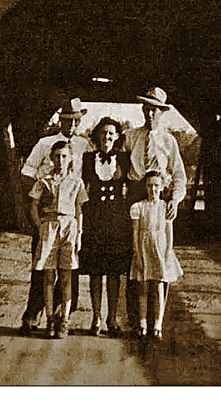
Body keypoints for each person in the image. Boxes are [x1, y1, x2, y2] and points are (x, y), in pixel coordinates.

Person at [18, 98, 90, 335]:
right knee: (42, 268)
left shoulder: (83, 144)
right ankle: (34, 315)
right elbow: (27, 171)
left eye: (75, 121)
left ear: (79, 121)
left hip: (71, 212)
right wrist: (37, 204)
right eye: (67, 120)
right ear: (60, 120)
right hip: (47, 212)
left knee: (68, 268)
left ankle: (61, 316)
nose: (70, 125)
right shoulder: (45, 143)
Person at [123, 87, 187, 337]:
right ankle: (137, 322)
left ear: (162, 113)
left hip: (160, 200)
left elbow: (180, 176)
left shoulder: (169, 141)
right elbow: (116, 166)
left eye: (155, 110)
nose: (150, 114)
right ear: (142, 110)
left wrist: (175, 199)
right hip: (136, 200)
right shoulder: (130, 137)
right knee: (136, 258)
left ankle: (157, 323)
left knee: (161, 258)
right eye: (146, 109)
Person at [28, 139, 89, 339]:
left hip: (69, 226)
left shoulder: (76, 182)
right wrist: (41, 226)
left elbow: (79, 209)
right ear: (51, 158)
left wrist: (79, 233)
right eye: (57, 156)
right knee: (48, 275)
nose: (61, 160)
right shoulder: (44, 180)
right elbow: (33, 205)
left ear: (70, 158)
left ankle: (64, 319)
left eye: (64, 156)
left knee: (66, 275)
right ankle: (49, 319)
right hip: (49, 226)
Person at [79, 117, 133, 337]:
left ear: (117, 137)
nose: (107, 137)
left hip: (116, 221)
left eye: (111, 133)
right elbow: (80, 188)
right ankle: (96, 317)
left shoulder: (124, 158)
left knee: (113, 271)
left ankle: (112, 317)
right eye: (103, 133)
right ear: (96, 136)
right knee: (95, 271)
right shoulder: (86, 158)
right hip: (94, 220)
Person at [130, 170, 183, 341]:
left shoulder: (165, 207)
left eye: (156, 186)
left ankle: (157, 324)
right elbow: (136, 233)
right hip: (144, 250)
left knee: (159, 287)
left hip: (160, 250)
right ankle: (143, 323)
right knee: (143, 288)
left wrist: (168, 252)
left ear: (162, 188)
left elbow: (169, 232)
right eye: (150, 185)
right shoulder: (138, 207)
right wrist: (137, 254)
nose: (153, 189)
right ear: (145, 187)